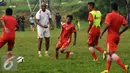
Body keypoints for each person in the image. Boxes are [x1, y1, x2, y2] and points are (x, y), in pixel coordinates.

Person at [100, 3, 129, 73]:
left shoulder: (109, 15)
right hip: (117, 37)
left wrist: (102, 33)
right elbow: (127, 26)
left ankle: (124, 67)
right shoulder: (120, 16)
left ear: (111, 8)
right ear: (117, 8)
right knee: (111, 52)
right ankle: (107, 69)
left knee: (111, 53)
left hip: (111, 36)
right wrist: (120, 32)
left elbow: (108, 25)